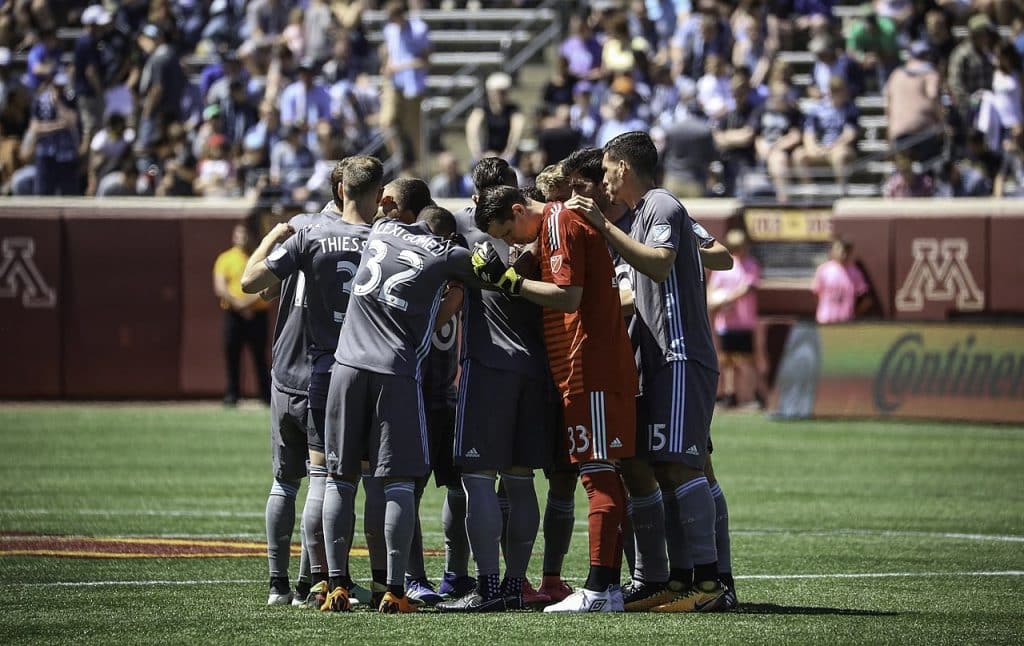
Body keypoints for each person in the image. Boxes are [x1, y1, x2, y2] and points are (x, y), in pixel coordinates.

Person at [576, 131, 728, 612]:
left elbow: (661, 266)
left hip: (680, 355)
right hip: (658, 360)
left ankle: (711, 587)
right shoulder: (644, 215)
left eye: (606, 168)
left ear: (622, 166)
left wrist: (603, 226)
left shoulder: (660, 204)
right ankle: (682, 583)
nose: (604, 178)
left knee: (684, 466)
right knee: (665, 469)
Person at [472, 182, 638, 614]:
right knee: (599, 473)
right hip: (581, 364)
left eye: (507, 231)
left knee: (597, 474)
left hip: (590, 363)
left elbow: (569, 297)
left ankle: (601, 589)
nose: (510, 241)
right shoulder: (553, 225)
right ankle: (609, 587)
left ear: (517, 208)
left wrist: (511, 282)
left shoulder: (558, 221)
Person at [318, 199, 474, 614]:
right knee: (399, 482)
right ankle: (395, 588)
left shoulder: (382, 227)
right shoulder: (444, 253)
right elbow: (484, 269)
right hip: (396, 371)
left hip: (346, 365)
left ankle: (336, 585)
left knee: (340, 478)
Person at [242, 156, 381, 611]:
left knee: (285, 481)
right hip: (335, 368)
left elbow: (260, 287)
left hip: (287, 369)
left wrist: (272, 235)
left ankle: (279, 584)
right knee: (328, 476)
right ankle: (316, 581)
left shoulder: (303, 229)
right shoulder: (376, 239)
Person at [435, 159, 554, 613]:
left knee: (478, 478)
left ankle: (485, 585)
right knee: (521, 481)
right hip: (536, 365)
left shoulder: (468, 227)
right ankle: (515, 585)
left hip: (488, 366)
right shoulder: (546, 226)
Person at [212, 223, 271, 407]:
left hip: (257, 314)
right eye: (238, 235)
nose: (242, 238)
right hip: (233, 314)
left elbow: (269, 286)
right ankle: (232, 394)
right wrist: (239, 305)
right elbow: (220, 287)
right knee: (232, 355)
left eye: (244, 234)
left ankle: (266, 396)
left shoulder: (259, 258)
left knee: (260, 356)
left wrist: (247, 304)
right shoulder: (225, 258)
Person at [707, 229, 762, 408]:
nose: (741, 250)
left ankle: (750, 396)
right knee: (727, 360)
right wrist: (716, 302)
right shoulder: (724, 266)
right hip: (726, 323)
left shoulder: (751, 265)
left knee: (746, 361)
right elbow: (711, 290)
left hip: (745, 321)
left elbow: (747, 288)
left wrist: (726, 300)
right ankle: (729, 395)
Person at [380, 0, 431, 170]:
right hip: (394, 84)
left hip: (413, 86)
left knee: (413, 130)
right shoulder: (390, 30)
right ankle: (399, 157)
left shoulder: (419, 29)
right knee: (386, 121)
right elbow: (391, 53)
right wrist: (387, 66)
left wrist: (401, 66)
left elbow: (425, 60)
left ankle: (420, 167)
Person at [466, 72, 525, 164]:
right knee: (474, 165)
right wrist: (478, 153)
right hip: (486, 152)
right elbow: (472, 130)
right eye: (497, 92)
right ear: (490, 92)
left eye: (503, 92)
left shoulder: (514, 110)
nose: (500, 95)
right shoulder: (482, 108)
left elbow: (516, 133)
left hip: (507, 154)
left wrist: (507, 154)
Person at [812, 238, 871, 324]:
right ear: (832, 251)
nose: (842, 253)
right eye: (839, 249)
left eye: (846, 250)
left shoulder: (854, 272)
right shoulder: (824, 270)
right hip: (825, 320)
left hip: (846, 322)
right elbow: (816, 293)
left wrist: (854, 313)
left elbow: (866, 299)